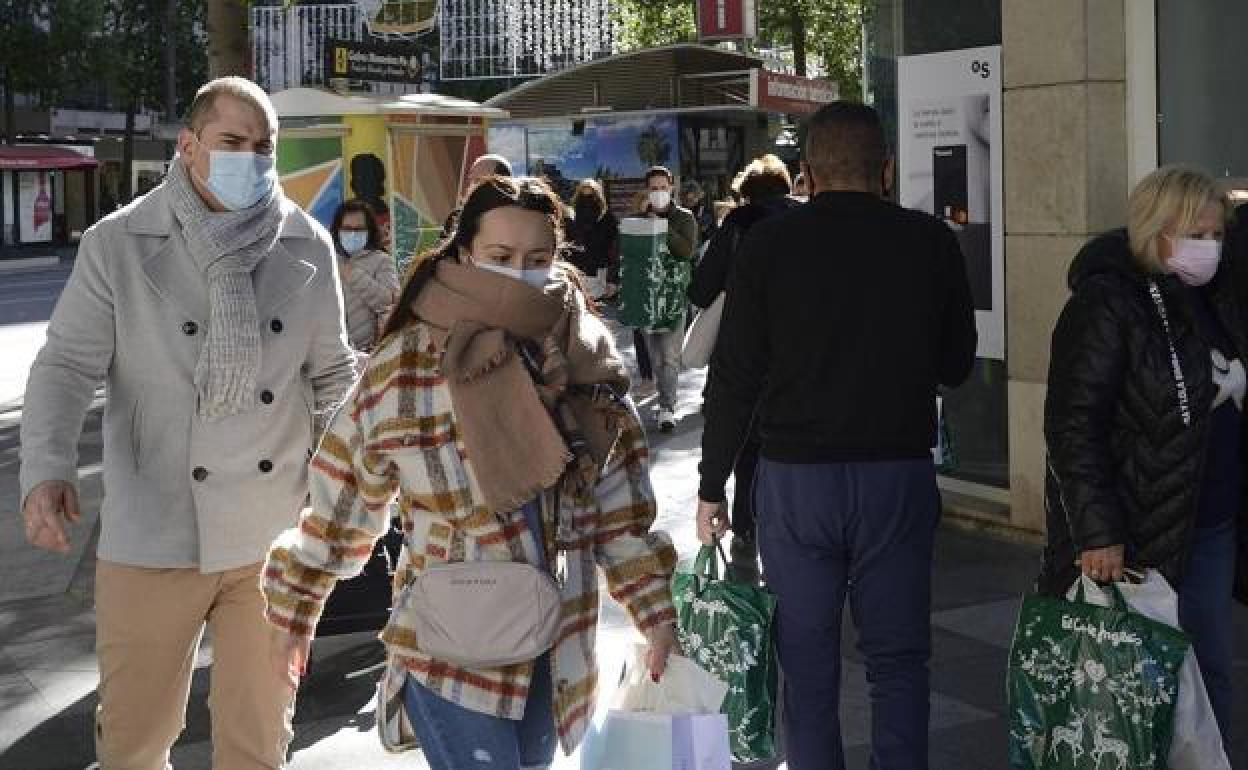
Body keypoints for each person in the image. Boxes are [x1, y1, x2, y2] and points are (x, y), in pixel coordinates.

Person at [263, 175, 679, 770]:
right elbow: (342, 501)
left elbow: (620, 512)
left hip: (557, 646)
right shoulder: (408, 362)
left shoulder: (586, 354)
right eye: (500, 257)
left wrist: (656, 613)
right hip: (451, 650)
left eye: (537, 259)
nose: (519, 274)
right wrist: (296, 607)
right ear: (464, 253)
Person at [18, 76, 357, 770]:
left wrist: (360, 482)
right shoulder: (118, 242)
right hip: (154, 532)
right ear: (189, 145)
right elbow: (64, 368)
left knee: (258, 742)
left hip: (271, 537)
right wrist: (46, 471)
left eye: (264, 147)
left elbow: (334, 377)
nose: (251, 159)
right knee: (135, 743)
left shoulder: (308, 243)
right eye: (232, 142)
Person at [695, 102, 977, 770]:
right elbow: (956, 364)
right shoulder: (931, 242)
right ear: (886, 170)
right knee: (900, 660)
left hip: (796, 482)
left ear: (808, 176)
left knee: (808, 662)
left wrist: (711, 488)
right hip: (896, 477)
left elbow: (733, 377)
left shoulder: (766, 245)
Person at [1041, 166, 1245, 751]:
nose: (1208, 247)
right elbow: (1073, 425)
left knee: (1208, 677)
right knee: (1128, 686)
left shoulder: (1216, 297)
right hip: (1134, 535)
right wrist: (1097, 532)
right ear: (1156, 231)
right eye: (1196, 234)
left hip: (1207, 522)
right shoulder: (1107, 303)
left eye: (1216, 235)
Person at [688, 153, 799, 584]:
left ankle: (748, 525)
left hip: (744, 352)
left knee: (746, 441)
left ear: (746, 190)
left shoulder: (738, 225)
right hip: (798, 359)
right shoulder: (804, 221)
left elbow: (700, 290)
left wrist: (709, 489)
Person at [634, 165, 698, 432]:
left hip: (673, 296)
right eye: (654, 188)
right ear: (647, 190)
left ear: (672, 188)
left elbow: (686, 251)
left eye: (663, 187)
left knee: (670, 357)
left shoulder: (684, 218)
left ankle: (667, 407)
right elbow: (628, 254)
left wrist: (659, 226)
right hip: (647, 297)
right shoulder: (637, 219)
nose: (659, 193)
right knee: (655, 356)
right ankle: (664, 398)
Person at [331, 199, 400, 353]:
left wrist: (352, 274)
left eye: (359, 229)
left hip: (371, 353)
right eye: (347, 229)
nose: (353, 234)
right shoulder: (329, 260)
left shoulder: (382, 261)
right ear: (338, 231)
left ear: (369, 231)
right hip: (336, 355)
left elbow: (390, 302)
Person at [565, 178, 620, 300]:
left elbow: (616, 251)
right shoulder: (571, 218)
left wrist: (613, 280)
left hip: (600, 277)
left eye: (592, 197)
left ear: (598, 197)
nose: (587, 202)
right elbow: (564, 247)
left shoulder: (607, 219)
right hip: (575, 276)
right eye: (583, 197)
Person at [442, 153, 513, 239]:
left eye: (477, 180)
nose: (470, 186)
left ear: (501, 184)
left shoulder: (515, 219)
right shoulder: (455, 218)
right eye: (470, 180)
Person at [681, 178, 717, 248]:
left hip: (705, 245)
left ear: (698, 196)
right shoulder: (683, 209)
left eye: (690, 200)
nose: (687, 202)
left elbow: (702, 228)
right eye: (685, 200)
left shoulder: (705, 210)